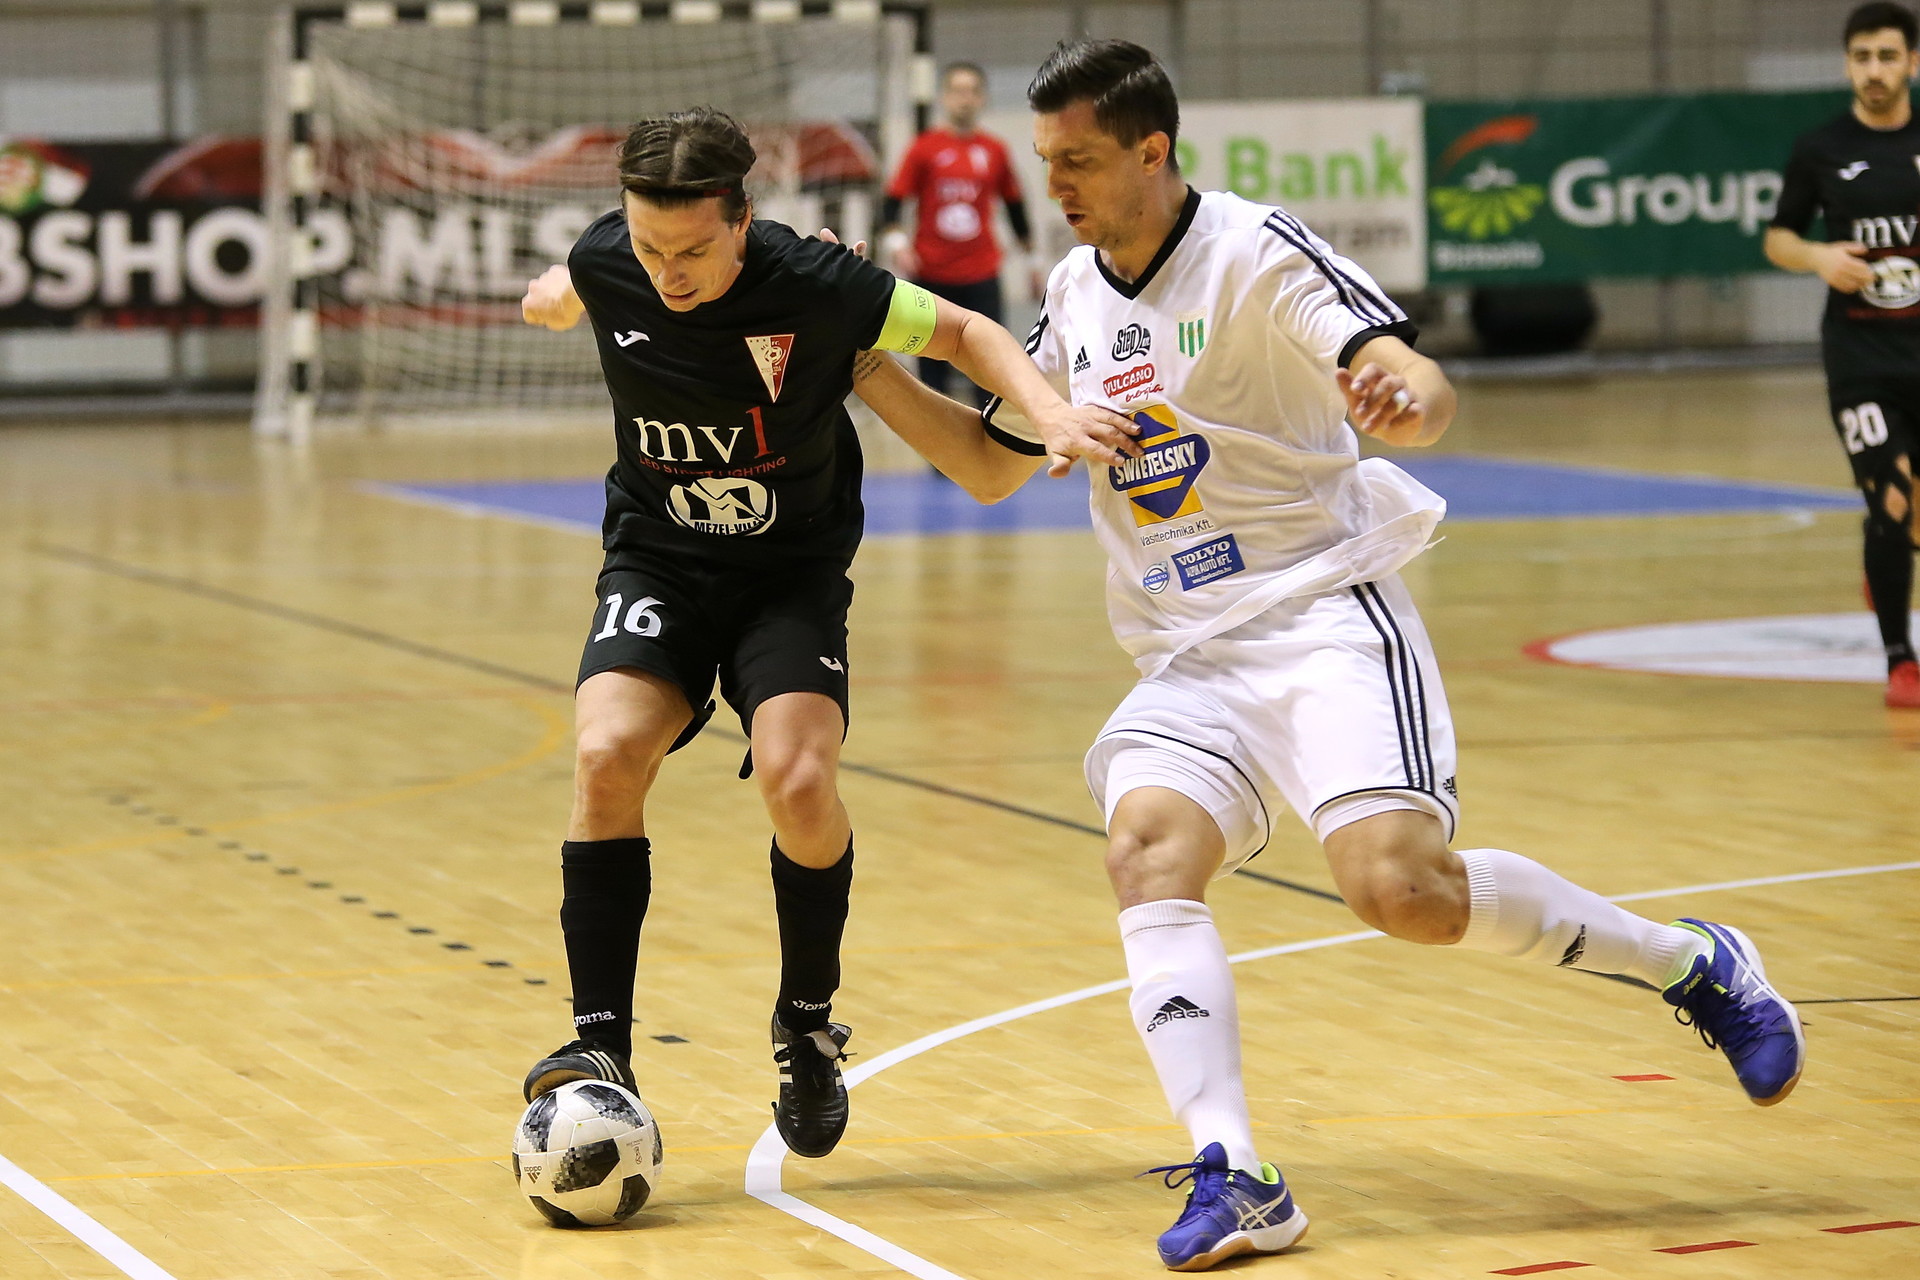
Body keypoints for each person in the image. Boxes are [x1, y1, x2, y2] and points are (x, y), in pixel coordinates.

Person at [848, 41, 1808, 1272]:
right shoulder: (1075, 295)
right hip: (1187, 655)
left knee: (1402, 891)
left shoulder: (1253, 248)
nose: (1060, 186)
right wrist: (868, 367)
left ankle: (1694, 961)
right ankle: (1238, 1170)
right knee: (1146, 846)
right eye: (1048, 163)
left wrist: (1407, 393)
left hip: (1321, 615)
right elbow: (990, 463)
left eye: (1080, 160)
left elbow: (1398, 367)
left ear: (1154, 149)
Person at [515, 108, 1137, 1165]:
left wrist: (1047, 406)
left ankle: (806, 1023)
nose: (668, 272)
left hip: (788, 574)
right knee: (605, 752)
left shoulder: (816, 283)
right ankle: (599, 1044)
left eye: (694, 249)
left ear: (744, 220)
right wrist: (556, 292)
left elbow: (970, 334)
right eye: (650, 246)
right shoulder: (611, 258)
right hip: (658, 557)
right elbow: (584, 275)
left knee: (800, 782)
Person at [1766, 1, 1920, 709]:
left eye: (1888, 57)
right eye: (1862, 58)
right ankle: (1900, 659)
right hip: (1861, 359)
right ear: (1847, 65)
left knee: (1900, 516)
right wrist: (1821, 256)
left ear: (1912, 62)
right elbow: (1779, 238)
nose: (1875, 71)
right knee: (1898, 494)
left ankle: (1883, 556)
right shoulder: (1821, 147)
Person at [880, 61, 1043, 407]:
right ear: (943, 97)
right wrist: (897, 243)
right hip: (931, 276)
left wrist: (1033, 262)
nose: (964, 99)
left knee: (989, 367)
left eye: (972, 91)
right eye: (957, 91)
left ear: (982, 98)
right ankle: (940, 458)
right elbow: (893, 203)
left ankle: (991, 449)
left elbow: (1015, 209)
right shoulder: (924, 148)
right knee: (932, 373)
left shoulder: (994, 150)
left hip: (981, 274)